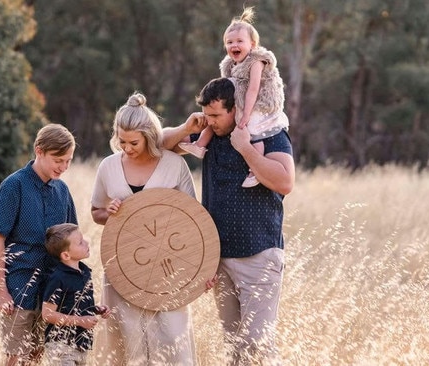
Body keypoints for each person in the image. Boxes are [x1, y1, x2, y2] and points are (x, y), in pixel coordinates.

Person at [163, 77, 295, 365]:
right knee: (234, 344)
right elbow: (161, 145)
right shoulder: (210, 136)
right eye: (206, 115)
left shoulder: (269, 135)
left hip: (258, 254)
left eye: (216, 115)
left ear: (235, 109)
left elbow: (285, 182)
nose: (210, 122)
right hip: (219, 259)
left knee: (257, 343)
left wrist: (246, 148)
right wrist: (188, 128)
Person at [90, 92, 198, 365]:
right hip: (122, 267)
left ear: (150, 137)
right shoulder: (108, 166)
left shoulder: (175, 165)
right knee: (126, 343)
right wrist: (110, 212)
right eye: (121, 141)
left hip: (168, 269)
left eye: (133, 142)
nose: (126, 147)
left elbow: (193, 219)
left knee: (172, 341)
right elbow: (96, 212)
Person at [0, 123, 79, 366]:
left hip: (51, 288)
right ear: (39, 151)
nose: (63, 167)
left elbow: (71, 243)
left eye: (68, 160)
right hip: (18, 286)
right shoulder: (14, 185)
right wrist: (2, 290)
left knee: (36, 356)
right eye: (58, 160)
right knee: (14, 357)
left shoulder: (62, 190)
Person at [178, 6, 289, 188]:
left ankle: (255, 171)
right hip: (243, 103)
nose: (234, 45)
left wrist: (245, 114)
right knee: (215, 115)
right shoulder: (230, 65)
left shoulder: (256, 61)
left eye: (239, 41)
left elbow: (253, 89)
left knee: (252, 131)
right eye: (229, 42)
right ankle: (199, 145)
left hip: (259, 105)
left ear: (252, 45)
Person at [42, 223, 111, 365]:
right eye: (80, 243)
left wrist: (95, 309)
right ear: (66, 255)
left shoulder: (85, 272)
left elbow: (75, 304)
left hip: (81, 344)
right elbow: (47, 314)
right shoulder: (57, 278)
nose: (86, 243)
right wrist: (81, 321)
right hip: (61, 345)